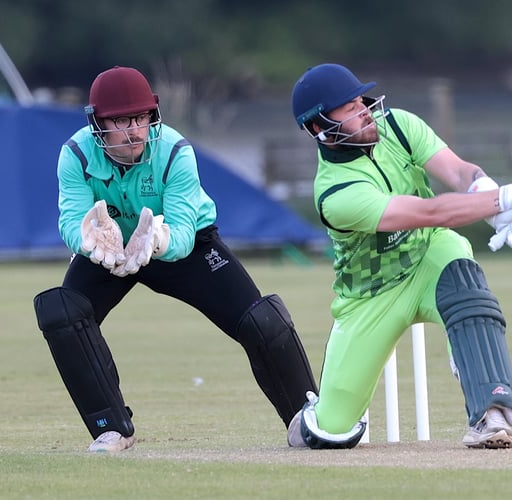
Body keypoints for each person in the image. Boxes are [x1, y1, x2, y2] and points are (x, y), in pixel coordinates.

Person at [286, 63, 512, 449]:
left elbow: (458, 172)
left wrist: (488, 193)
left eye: (361, 102)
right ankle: (313, 419)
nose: (364, 112)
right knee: (331, 432)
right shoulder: (336, 194)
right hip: (371, 296)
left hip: (429, 254)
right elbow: (428, 211)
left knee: (465, 281)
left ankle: (490, 412)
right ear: (320, 128)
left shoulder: (399, 126)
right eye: (349, 109)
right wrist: (505, 198)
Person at [32, 66, 318, 452]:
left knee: (259, 318)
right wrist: (88, 239)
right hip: (112, 248)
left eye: (140, 118)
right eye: (120, 121)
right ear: (98, 123)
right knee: (61, 312)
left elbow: (183, 232)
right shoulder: (76, 154)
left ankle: (311, 420)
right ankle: (111, 428)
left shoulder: (174, 151)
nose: (134, 130)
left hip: (183, 246)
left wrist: (158, 240)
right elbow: (70, 218)